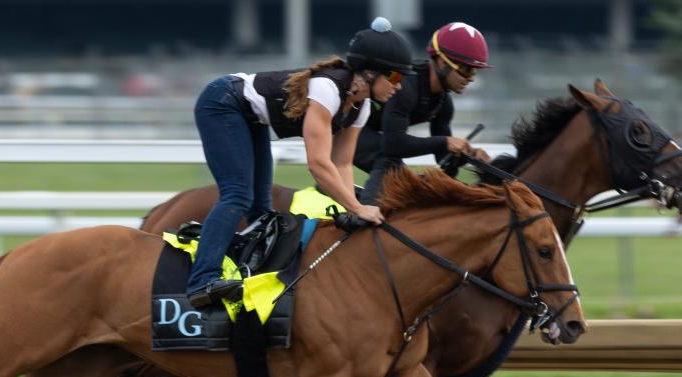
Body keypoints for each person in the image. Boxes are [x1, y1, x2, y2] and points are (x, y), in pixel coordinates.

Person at [186, 17, 412, 308]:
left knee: (261, 206)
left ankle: (250, 277)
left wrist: (350, 211)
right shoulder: (327, 90)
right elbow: (317, 164)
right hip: (222, 102)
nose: (399, 86)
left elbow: (341, 165)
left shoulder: (362, 107)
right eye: (395, 77)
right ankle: (201, 281)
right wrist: (357, 207)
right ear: (370, 73)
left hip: (249, 117)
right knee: (238, 194)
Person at [357, 22, 493, 203]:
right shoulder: (405, 85)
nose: (470, 79)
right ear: (443, 62)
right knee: (390, 163)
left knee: (410, 184)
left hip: (367, 131)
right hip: (343, 123)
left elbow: (442, 156)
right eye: (466, 70)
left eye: (474, 72)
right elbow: (394, 145)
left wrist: (470, 155)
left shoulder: (444, 103)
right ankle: (364, 217)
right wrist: (446, 142)